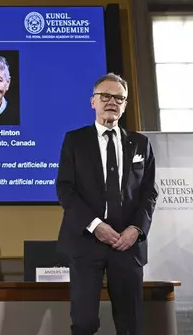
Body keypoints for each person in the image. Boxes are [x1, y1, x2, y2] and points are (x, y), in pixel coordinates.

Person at [56, 73, 158, 335]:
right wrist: (95, 225)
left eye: (118, 97)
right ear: (93, 101)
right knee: (84, 322)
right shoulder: (75, 141)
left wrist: (135, 229)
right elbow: (65, 189)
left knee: (130, 323)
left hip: (127, 244)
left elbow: (149, 193)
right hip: (86, 242)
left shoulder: (141, 144)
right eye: (105, 96)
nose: (111, 101)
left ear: (124, 104)